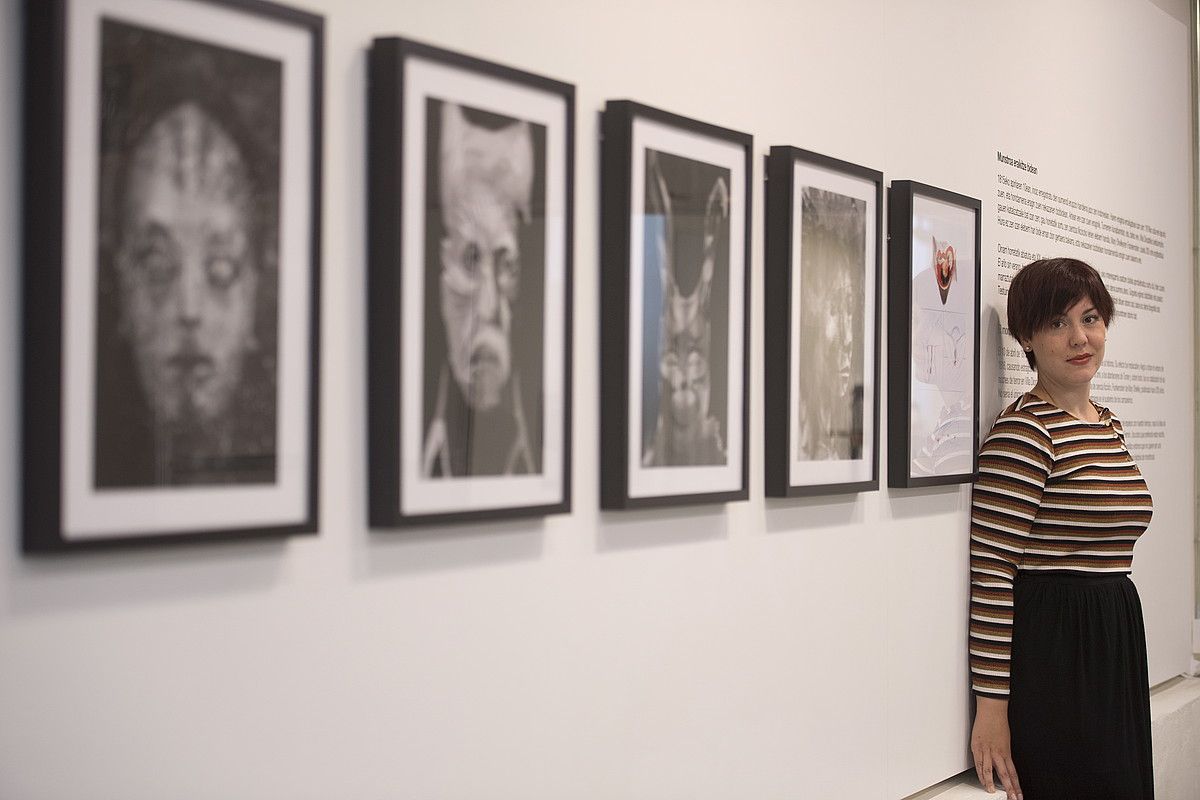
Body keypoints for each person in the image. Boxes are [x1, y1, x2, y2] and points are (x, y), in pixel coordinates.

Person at [969, 258, 1154, 799]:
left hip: (1114, 640)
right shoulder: (1025, 430)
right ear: (1027, 337)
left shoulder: (1108, 423)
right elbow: (992, 572)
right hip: (1056, 653)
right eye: (1057, 323)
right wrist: (992, 710)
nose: (1079, 337)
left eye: (1090, 318)